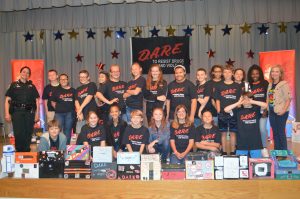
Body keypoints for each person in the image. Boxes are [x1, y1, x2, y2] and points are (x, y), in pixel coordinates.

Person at [5, 66, 40, 152]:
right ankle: (19, 151)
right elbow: (7, 100)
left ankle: (27, 150)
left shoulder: (32, 86)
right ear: (20, 73)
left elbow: (37, 101)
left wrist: (37, 114)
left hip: (29, 112)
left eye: (28, 73)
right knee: (18, 132)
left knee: (28, 132)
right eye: (24, 72)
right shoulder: (13, 85)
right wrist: (7, 113)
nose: (25, 74)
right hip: (17, 112)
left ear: (29, 75)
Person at [224, 92, 267, 158]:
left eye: (248, 99)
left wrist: (253, 101)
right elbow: (226, 109)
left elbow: (265, 105)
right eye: (244, 99)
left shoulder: (256, 109)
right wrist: (238, 103)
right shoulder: (238, 111)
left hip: (256, 143)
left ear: (251, 99)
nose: (246, 100)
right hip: (242, 143)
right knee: (241, 165)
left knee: (256, 163)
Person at [215, 65, 242, 155]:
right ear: (223, 73)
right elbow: (217, 99)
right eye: (225, 72)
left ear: (232, 74)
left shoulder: (237, 86)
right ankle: (224, 151)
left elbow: (240, 99)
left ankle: (233, 151)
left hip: (234, 112)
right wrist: (218, 110)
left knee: (233, 133)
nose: (227, 74)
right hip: (222, 112)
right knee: (223, 132)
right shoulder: (219, 85)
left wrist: (237, 108)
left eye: (229, 72)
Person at [267, 65, 292, 150]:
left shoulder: (284, 84)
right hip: (271, 112)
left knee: (281, 132)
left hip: (281, 111)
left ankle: (284, 152)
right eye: (273, 71)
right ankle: (277, 151)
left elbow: (288, 99)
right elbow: (269, 98)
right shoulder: (270, 84)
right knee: (275, 132)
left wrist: (284, 110)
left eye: (277, 71)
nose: (274, 73)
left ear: (280, 74)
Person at [247, 64, 269, 157]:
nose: (255, 75)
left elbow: (268, 96)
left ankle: (264, 147)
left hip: (263, 110)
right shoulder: (248, 85)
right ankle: (254, 147)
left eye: (256, 73)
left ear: (260, 74)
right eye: (253, 74)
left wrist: (266, 109)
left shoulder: (265, 83)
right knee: (253, 130)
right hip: (252, 111)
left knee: (262, 129)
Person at [50, 74, 76, 144]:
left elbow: (76, 102)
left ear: (68, 80)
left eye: (65, 79)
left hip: (70, 113)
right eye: (61, 79)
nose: (63, 80)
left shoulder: (73, 90)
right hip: (59, 114)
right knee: (56, 130)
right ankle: (56, 147)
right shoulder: (56, 90)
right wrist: (58, 109)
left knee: (68, 131)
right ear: (59, 81)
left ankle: (66, 147)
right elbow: (52, 102)